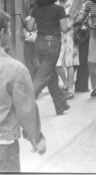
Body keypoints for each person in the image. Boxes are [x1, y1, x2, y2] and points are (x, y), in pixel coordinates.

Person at [0, 10, 46, 172]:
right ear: (3, 32)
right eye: (9, 28)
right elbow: (26, 109)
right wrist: (35, 138)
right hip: (4, 145)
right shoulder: (15, 69)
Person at [27, 0, 72, 115]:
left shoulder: (36, 9)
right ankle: (21, 105)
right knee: (42, 77)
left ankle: (61, 104)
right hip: (52, 43)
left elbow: (30, 28)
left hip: (39, 43)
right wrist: (73, 22)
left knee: (50, 74)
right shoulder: (59, 9)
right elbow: (64, 29)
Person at [55, 0, 79, 99]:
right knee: (57, 62)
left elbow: (79, 17)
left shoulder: (73, 3)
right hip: (58, 35)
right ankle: (65, 82)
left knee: (69, 63)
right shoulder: (55, 5)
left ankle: (70, 89)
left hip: (71, 35)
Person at [72, 0, 90, 93]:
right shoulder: (78, 1)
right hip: (79, 31)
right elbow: (72, 17)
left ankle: (80, 85)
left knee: (80, 59)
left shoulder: (80, 0)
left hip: (79, 30)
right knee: (82, 59)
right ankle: (81, 85)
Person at [22, 0, 41, 80]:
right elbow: (24, 15)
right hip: (29, 33)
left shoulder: (45, 1)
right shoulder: (27, 1)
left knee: (38, 61)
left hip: (40, 33)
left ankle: (38, 83)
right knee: (28, 60)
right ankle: (33, 82)